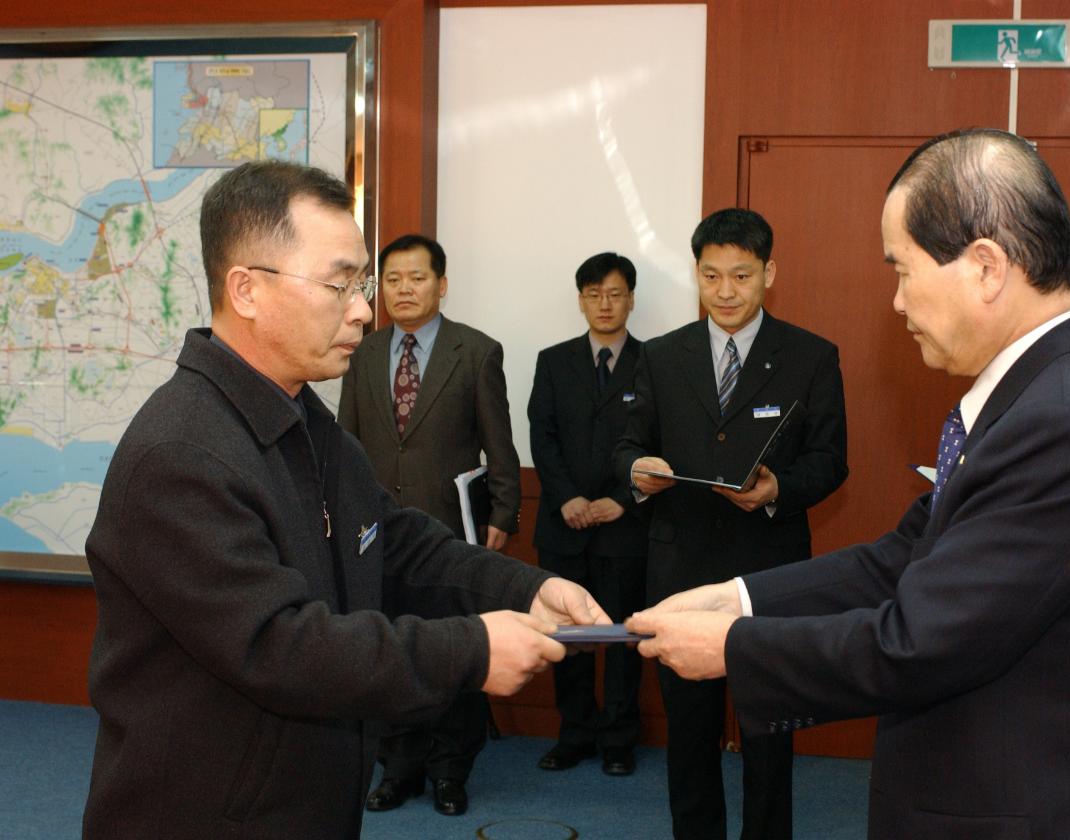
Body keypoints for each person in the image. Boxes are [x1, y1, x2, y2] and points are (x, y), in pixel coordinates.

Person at [628, 129, 1070, 839]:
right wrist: (736, 596)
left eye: (903, 270)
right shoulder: (1043, 393)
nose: (895, 302)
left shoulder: (1061, 422)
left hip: (1030, 806)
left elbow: (917, 642)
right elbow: (903, 556)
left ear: (985, 267)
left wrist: (731, 645)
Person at [81, 160, 606, 840]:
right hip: (209, 816)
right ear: (246, 289)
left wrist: (523, 589)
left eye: (362, 283)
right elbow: (278, 646)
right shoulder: (181, 454)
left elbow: (392, 542)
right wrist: (469, 651)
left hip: (303, 803)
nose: (364, 309)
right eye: (339, 285)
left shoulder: (301, 416)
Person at [614, 208, 849, 840]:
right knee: (689, 736)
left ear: (769, 272)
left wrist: (779, 490)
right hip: (680, 569)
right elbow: (627, 445)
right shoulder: (662, 356)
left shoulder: (810, 356)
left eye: (741, 277)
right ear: (695, 273)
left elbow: (831, 461)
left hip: (769, 574)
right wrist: (639, 468)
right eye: (711, 276)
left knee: (769, 733)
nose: (724, 292)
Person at [337, 233, 522, 816]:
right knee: (389, 650)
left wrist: (504, 513)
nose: (403, 290)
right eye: (391, 280)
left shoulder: (477, 351)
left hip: (450, 531)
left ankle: (450, 770)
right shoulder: (362, 353)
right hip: (376, 532)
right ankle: (399, 768)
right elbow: (345, 439)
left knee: (453, 650)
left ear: (441, 284)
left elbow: (500, 443)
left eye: (416, 278)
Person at [528, 251, 649, 776]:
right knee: (569, 640)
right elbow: (542, 435)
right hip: (564, 525)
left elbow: (659, 441)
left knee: (622, 636)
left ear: (631, 299)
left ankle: (619, 740)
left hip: (625, 528)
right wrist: (565, 498)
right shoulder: (553, 361)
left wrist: (622, 500)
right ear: (580, 300)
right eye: (594, 294)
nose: (605, 304)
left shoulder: (656, 361)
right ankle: (574, 733)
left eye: (615, 293)